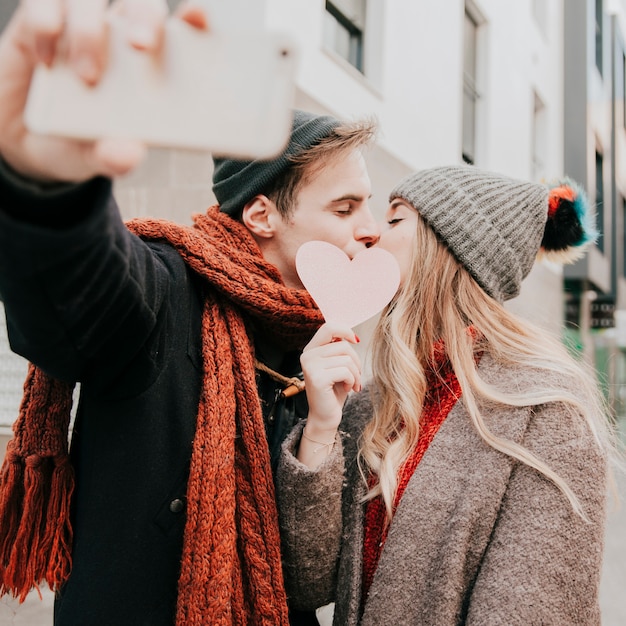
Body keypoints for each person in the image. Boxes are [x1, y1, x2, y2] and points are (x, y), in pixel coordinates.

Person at [0, 2, 380, 625]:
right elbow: (74, 292)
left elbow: (309, 583)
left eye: (369, 207)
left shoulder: (325, 345)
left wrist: (318, 428)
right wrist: (47, 183)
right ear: (262, 216)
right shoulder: (165, 286)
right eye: (344, 209)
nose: (369, 230)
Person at [276, 165, 619, 625]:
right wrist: (321, 426)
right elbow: (307, 584)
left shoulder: (543, 409)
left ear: (451, 247)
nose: (374, 232)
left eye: (396, 219)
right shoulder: (371, 403)